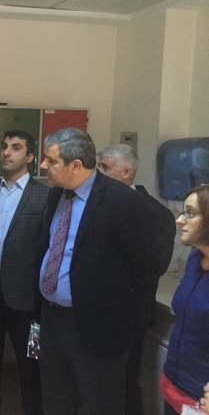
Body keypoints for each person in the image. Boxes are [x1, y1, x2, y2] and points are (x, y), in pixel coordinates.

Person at [36, 128, 155, 415]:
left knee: (99, 403)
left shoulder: (121, 201)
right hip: (52, 319)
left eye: (51, 160)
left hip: (96, 328)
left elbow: (145, 265)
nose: (43, 165)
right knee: (56, 399)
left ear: (75, 165)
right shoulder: (56, 196)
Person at [98, 144, 175, 415]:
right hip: (92, 311)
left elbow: (156, 265)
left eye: (105, 167)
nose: (98, 173)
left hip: (128, 312)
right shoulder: (93, 204)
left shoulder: (155, 213)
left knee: (124, 381)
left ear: (126, 172)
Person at [0, 130, 48, 415]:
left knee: (31, 360)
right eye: (5, 146)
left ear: (30, 157)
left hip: (27, 296)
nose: (6, 152)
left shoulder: (45, 196)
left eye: (16, 148)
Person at [161, 185, 209, 415]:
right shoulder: (195, 259)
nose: (180, 220)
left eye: (190, 213)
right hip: (175, 385)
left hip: (202, 397)